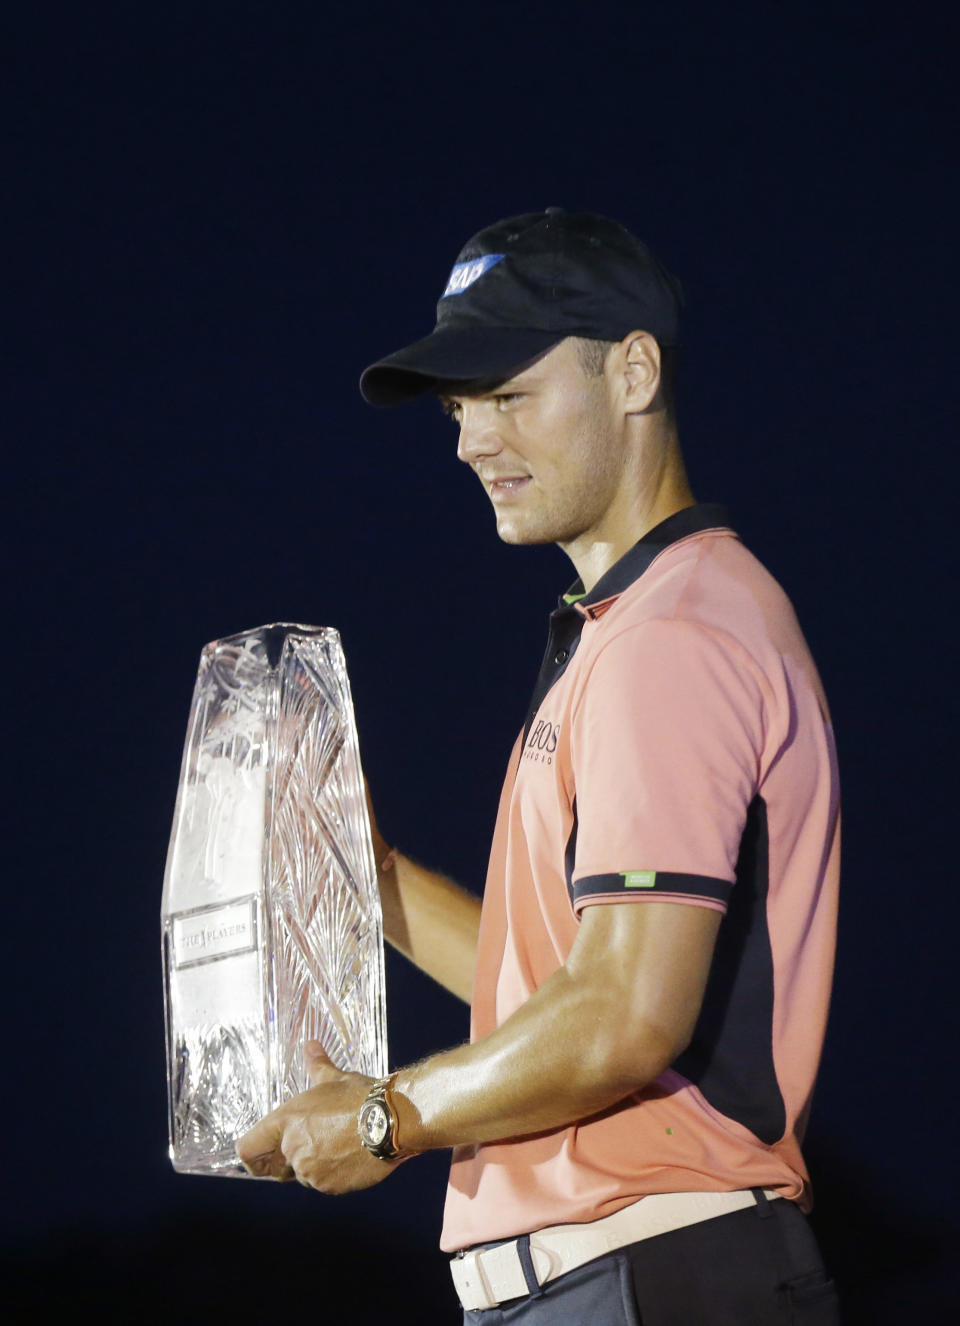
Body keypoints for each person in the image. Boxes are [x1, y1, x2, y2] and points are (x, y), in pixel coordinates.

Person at [238, 208, 841, 1324]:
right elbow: (555, 987)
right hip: (615, 1277)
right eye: (463, 409)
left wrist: (387, 1115)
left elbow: (619, 1019)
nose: (472, 442)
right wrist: (364, 873)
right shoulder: (630, 626)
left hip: (651, 1269)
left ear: (634, 371)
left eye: (509, 395)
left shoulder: (674, 636)